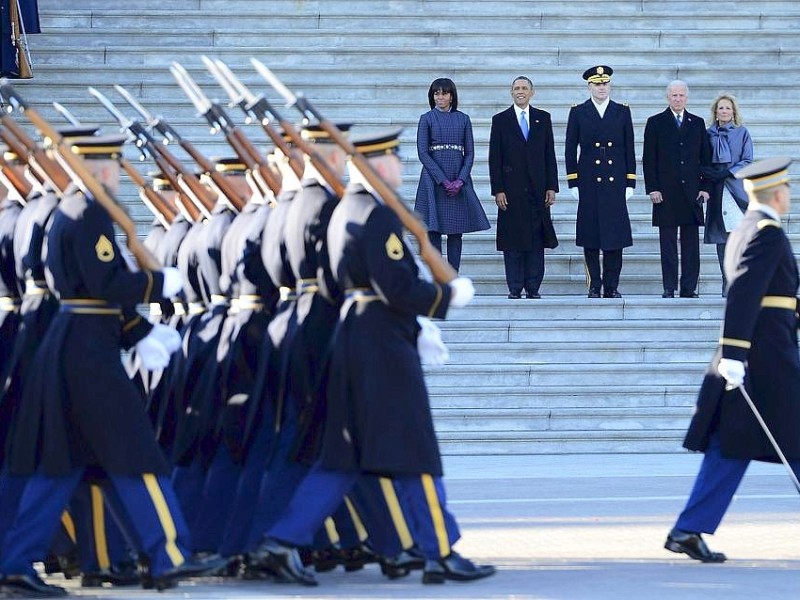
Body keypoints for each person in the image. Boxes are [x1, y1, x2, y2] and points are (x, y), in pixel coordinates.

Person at [252, 129, 494, 586]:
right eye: (396, 161)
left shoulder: (344, 210)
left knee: (342, 459)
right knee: (416, 453)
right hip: (382, 347)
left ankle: (282, 540)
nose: (401, 168)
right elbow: (398, 286)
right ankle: (439, 550)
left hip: (353, 340)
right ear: (380, 166)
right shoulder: (377, 216)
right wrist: (445, 298)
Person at [0, 135, 225, 598]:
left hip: (73, 343)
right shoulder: (92, 214)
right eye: (114, 166)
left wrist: (135, 332)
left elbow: (87, 290)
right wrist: (158, 281)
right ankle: (169, 554)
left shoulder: (66, 211)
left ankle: (16, 560)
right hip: (89, 357)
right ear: (101, 168)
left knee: (60, 465)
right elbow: (105, 283)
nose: (118, 174)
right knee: (137, 454)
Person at [665, 156, 799, 563]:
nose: (790, 194)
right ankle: (688, 528)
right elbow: (743, 292)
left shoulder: (746, 229)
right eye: (788, 189)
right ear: (777, 193)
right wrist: (737, 352)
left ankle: (688, 529)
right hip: (766, 356)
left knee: (731, 445)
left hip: (756, 351)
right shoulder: (767, 232)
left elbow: (775, 292)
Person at [565, 66, 635, 298]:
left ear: (610, 85)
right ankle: (594, 285)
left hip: (615, 182)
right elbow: (569, 148)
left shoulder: (622, 111)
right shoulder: (578, 112)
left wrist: (630, 182)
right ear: (589, 86)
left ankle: (612, 285)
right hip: (589, 181)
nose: (601, 87)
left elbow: (629, 148)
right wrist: (573, 181)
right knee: (591, 237)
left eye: (605, 83)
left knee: (615, 237)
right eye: (597, 84)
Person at [489, 75, 558, 299]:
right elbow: (494, 158)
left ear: (531, 92)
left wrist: (552, 186)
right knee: (513, 242)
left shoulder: (543, 118)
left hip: (538, 192)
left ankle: (533, 287)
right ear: (511, 93)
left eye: (524, 88)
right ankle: (515, 287)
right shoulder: (500, 120)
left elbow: (550, 154)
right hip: (511, 192)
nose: (520, 91)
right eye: (517, 88)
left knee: (536, 242)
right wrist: (497, 189)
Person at [643, 80, 712, 298]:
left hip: (692, 194)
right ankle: (669, 287)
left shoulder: (697, 123)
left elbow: (706, 159)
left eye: (681, 95)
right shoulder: (655, 122)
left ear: (687, 98)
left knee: (692, 245)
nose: (678, 99)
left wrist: (705, 187)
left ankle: (689, 287)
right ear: (668, 97)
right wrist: (653, 188)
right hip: (665, 193)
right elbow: (648, 159)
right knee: (668, 244)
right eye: (674, 95)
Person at [413, 77, 489, 272]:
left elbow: (470, 152)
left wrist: (461, 179)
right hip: (433, 178)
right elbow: (423, 152)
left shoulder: (463, 119)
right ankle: (438, 274)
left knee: (456, 231)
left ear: (452, 95)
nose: (440, 97)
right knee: (433, 230)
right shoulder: (427, 118)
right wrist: (443, 180)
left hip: (458, 175)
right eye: (436, 93)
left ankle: (453, 274)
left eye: (444, 93)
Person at [702, 93, 754, 296]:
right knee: (722, 237)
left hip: (735, 188)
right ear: (715, 112)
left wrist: (728, 172)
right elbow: (702, 157)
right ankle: (726, 280)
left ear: (734, 112)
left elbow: (747, 159)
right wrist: (709, 173)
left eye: (727, 108)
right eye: (720, 108)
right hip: (716, 189)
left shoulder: (742, 133)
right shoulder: (707, 134)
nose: (724, 111)